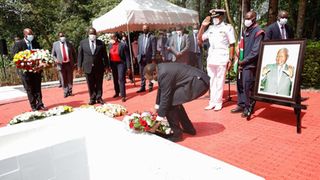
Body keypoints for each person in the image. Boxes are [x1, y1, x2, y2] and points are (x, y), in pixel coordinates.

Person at [144, 63, 210, 142]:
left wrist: (157, 122)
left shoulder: (163, 74)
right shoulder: (159, 69)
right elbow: (161, 89)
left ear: (154, 73)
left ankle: (177, 135)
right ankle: (189, 128)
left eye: (150, 79)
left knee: (170, 103)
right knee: (174, 101)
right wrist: (157, 107)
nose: (150, 82)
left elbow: (165, 99)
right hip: (193, 80)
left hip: (199, 82)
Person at [197, 9, 235, 111]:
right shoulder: (210, 28)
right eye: (213, 17)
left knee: (220, 80)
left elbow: (232, 44)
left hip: (222, 57)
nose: (214, 19)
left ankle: (218, 102)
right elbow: (199, 40)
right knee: (212, 81)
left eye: (216, 17)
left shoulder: (228, 28)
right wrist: (202, 26)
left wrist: (231, 59)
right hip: (212, 58)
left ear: (221, 17)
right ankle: (212, 102)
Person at [231, 11, 264, 117]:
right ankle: (241, 104)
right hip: (241, 62)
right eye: (245, 18)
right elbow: (241, 46)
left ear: (254, 19)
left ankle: (248, 107)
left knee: (247, 86)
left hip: (250, 64)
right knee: (240, 85)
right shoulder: (245, 31)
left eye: (248, 18)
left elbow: (256, 51)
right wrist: (237, 55)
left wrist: (244, 61)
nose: (246, 20)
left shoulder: (259, 32)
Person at [12, 28, 46, 111]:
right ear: (25, 35)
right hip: (25, 71)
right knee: (29, 88)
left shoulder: (35, 43)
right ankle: (33, 105)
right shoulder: (19, 44)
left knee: (37, 87)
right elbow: (15, 57)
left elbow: (41, 54)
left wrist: (42, 63)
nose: (31, 36)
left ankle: (40, 103)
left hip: (36, 69)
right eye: (29, 34)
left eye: (32, 34)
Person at [78, 27, 109, 105]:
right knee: (90, 83)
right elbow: (80, 55)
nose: (92, 35)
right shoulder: (82, 43)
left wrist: (107, 66)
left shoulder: (101, 43)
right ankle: (92, 98)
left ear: (96, 34)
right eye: (91, 33)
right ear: (88, 34)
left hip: (99, 66)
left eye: (94, 33)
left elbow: (105, 56)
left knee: (99, 83)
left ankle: (99, 97)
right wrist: (79, 66)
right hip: (87, 66)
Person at [52, 32, 77, 98]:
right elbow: (53, 55)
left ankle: (70, 90)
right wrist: (55, 60)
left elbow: (74, 53)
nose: (62, 37)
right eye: (61, 36)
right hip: (61, 64)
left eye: (63, 36)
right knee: (63, 78)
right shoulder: (55, 44)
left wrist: (75, 63)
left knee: (70, 78)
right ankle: (65, 91)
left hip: (69, 63)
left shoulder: (69, 44)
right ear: (58, 37)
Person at [109, 32, 131, 102]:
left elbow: (127, 57)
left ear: (116, 37)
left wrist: (128, 67)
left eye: (113, 37)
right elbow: (109, 56)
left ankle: (123, 95)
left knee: (121, 78)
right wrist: (109, 65)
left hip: (121, 63)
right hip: (113, 64)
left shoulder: (123, 45)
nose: (112, 38)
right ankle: (117, 92)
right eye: (111, 37)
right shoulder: (110, 45)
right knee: (115, 78)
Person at [136, 24, 157, 93]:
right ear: (142, 29)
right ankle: (142, 87)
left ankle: (150, 86)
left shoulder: (152, 37)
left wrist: (153, 57)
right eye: (144, 28)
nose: (145, 30)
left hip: (149, 57)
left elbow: (154, 48)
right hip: (141, 57)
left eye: (146, 28)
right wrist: (137, 55)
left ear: (148, 29)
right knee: (142, 73)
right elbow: (138, 47)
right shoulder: (140, 37)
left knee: (149, 72)